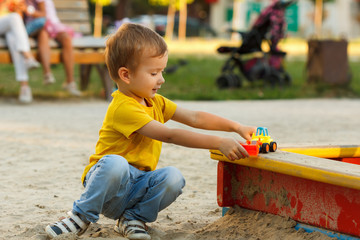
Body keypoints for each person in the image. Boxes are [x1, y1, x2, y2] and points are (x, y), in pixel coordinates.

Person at [45, 23, 256, 240]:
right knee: (115, 163)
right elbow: (169, 135)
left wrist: (236, 127)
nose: (161, 79)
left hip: (137, 187)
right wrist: (218, 142)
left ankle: (133, 218)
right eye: (154, 72)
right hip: (107, 186)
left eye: (161, 71)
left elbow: (194, 117)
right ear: (126, 75)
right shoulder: (123, 107)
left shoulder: (154, 102)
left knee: (173, 177)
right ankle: (79, 216)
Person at [23, 0, 81, 96]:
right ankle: (47, 73)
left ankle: (70, 82)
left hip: (52, 24)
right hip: (39, 26)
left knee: (66, 38)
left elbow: (44, 14)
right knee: (43, 33)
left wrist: (28, 10)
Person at [0, 0, 40, 103]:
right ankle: (28, 56)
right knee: (14, 17)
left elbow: (20, 22)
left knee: (13, 40)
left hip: (10, 27)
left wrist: (19, 9)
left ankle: (24, 88)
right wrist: (4, 4)